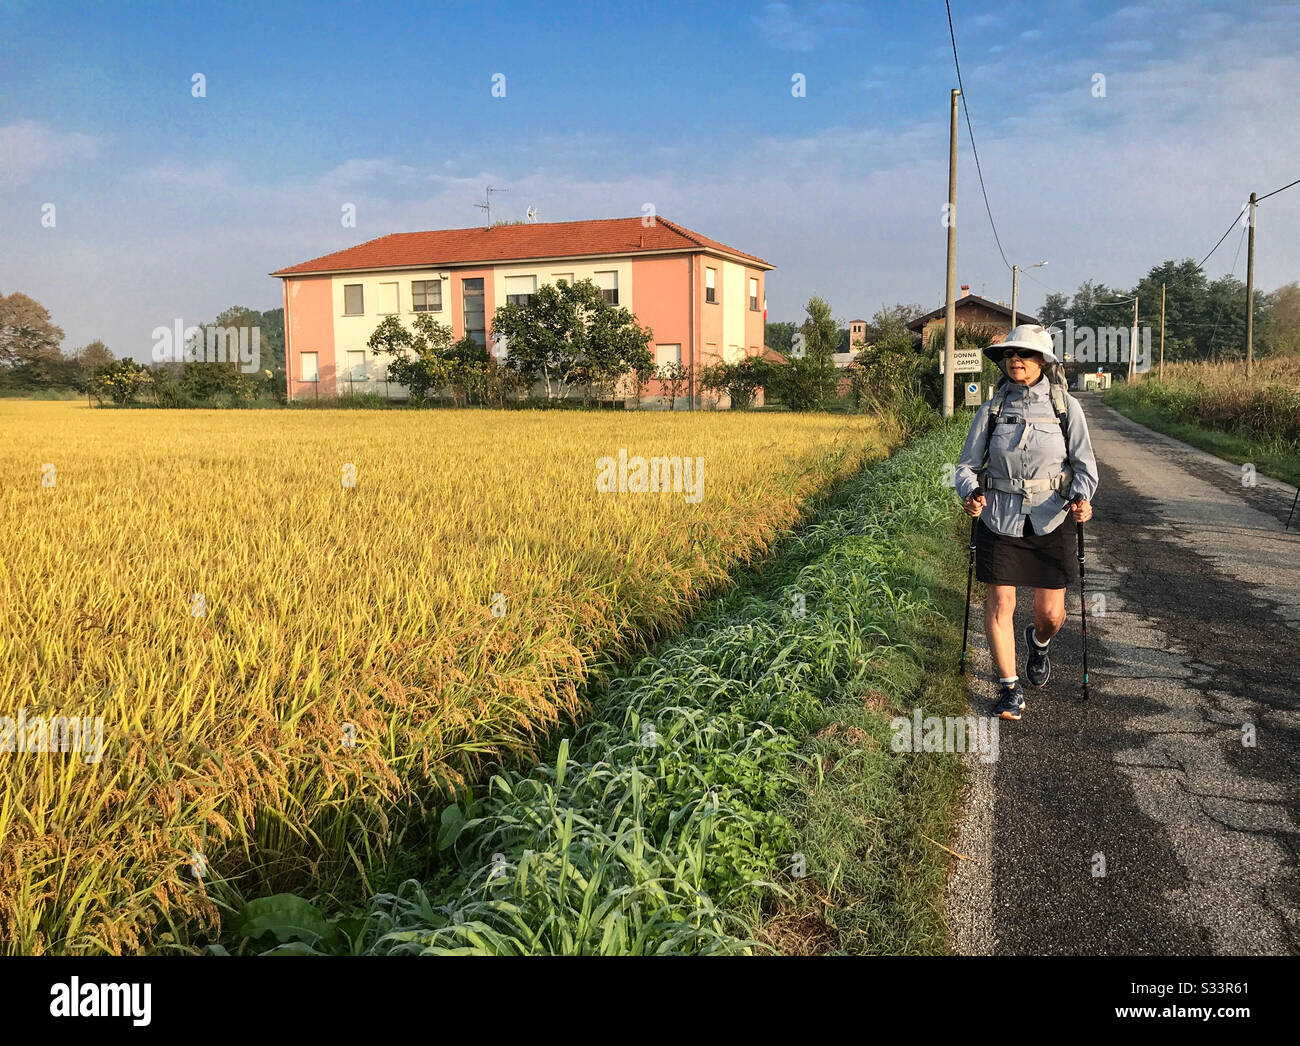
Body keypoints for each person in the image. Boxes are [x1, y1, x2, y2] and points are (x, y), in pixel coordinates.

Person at [954, 324, 1099, 721]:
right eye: (1009, 354)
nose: (1015, 359)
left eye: (1026, 354)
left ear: (1043, 362)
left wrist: (1082, 499)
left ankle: (1038, 643)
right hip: (999, 517)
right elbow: (966, 466)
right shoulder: (992, 410)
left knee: (1051, 614)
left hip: (1051, 517)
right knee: (1001, 603)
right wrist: (969, 492)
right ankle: (1009, 689)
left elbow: (1085, 467)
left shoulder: (1066, 407)